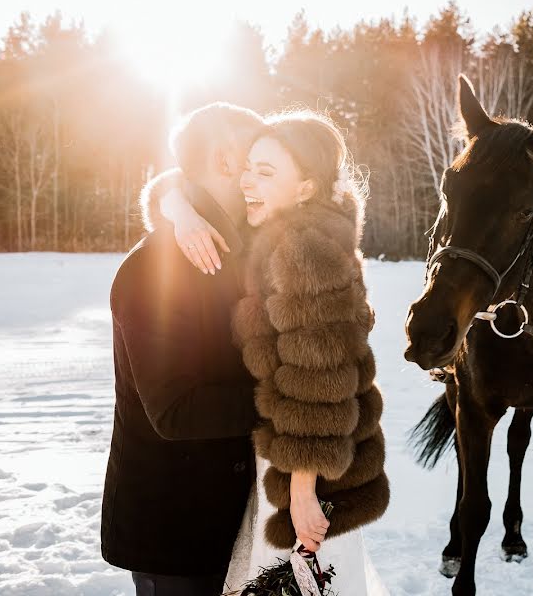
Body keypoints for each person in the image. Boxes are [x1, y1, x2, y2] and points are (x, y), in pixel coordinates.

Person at [145, 110, 391, 594]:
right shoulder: (277, 232)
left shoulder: (303, 250)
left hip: (305, 475)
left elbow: (318, 383)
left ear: (304, 188)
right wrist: (179, 209)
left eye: (266, 172)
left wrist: (300, 493)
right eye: (248, 168)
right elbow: (180, 177)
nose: (247, 183)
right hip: (288, 463)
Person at [101, 102, 264, 596]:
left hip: (233, 523)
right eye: (255, 160)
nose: (261, 175)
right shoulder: (155, 269)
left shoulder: (246, 250)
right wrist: (289, 397)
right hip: (173, 533)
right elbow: (175, 412)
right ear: (225, 160)